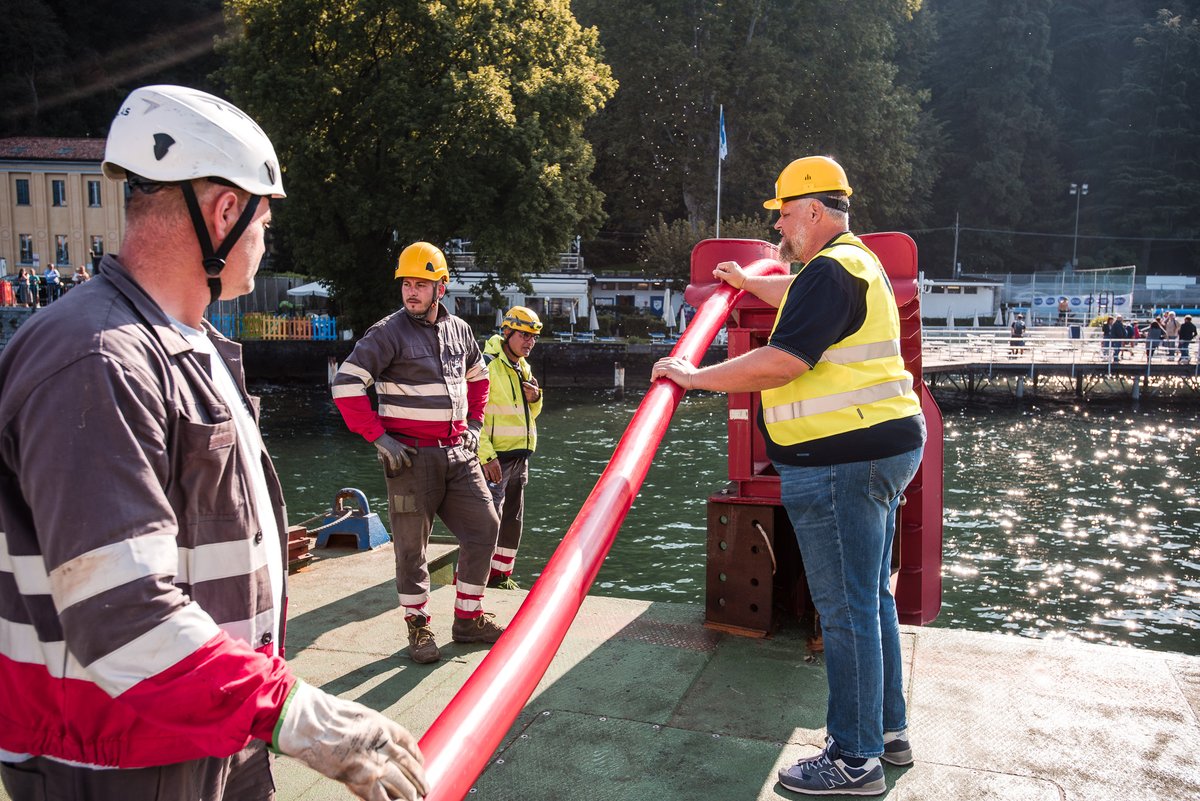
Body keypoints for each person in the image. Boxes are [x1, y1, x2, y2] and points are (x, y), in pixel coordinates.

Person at [0, 85, 426, 801]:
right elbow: (120, 614)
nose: (266, 239)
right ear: (225, 213)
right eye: (264, 218)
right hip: (123, 760)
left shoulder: (179, 342)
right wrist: (295, 712)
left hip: (206, 731)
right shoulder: (100, 358)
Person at [652, 155, 925, 797]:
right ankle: (887, 733)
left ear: (812, 210)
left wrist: (694, 378)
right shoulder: (853, 264)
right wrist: (749, 280)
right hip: (876, 452)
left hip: (842, 464)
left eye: (784, 216)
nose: (780, 229)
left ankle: (854, 758)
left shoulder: (832, 270)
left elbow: (782, 361)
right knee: (871, 598)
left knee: (847, 606)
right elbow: (799, 300)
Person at [332, 240, 505, 665]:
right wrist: (380, 438)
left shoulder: (460, 330)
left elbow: (479, 380)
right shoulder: (387, 333)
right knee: (412, 548)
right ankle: (418, 627)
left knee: (485, 526)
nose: (411, 291)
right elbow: (346, 385)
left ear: (440, 288)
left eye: (421, 284)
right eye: (407, 283)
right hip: (408, 460)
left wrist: (475, 427)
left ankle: (467, 620)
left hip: (458, 455)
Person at [478, 305, 545, 590]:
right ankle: (474, 577)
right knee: (486, 522)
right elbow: (471, 415)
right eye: (524, 335)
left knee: (512, 520)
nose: (529, 342)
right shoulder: (486, 365)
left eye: (533, 337)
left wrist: (536, 397)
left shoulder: (523, 366)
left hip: (520, 456)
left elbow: (530, 413)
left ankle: (501, 576)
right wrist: (486, 456)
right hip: (495, 459)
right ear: (507, 333)